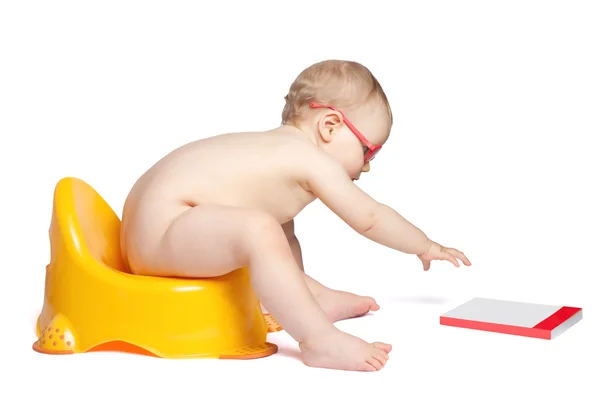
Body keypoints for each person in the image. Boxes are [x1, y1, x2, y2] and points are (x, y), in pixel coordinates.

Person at [120, 59, 471, 372]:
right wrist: (424, 245)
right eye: (369, 151)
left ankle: (310, 297)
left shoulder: (278, 151)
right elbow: (370, 217)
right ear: (330, 126)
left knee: (277, 221)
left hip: (152, 227)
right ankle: (318, 340)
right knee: (259, 228)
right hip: (159, 236)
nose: (366, 166)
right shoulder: (309, 159)